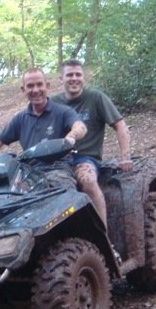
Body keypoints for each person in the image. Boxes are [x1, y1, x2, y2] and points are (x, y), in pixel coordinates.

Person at [51, 59, 132, 227]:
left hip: (85, 158)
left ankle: (104, 234)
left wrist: (125, 157)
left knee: (87, 181)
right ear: (61, 78)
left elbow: (120, 125)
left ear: (84, 77)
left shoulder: (96, 98)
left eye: (78, 75)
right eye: (69, 75)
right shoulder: (53, 103)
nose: (74, 78)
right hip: (58, 160)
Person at [0, 67, 86, 189]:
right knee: (5, 193)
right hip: (29, 174)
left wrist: (70, 138)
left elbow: (80, 127)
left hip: (57, 170)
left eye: (39, 84)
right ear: (23, 90)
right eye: (30, 86)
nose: (35, 90)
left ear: (47, 86)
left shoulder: (63, 112)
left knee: (63, 193)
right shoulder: (20, 119)